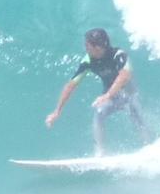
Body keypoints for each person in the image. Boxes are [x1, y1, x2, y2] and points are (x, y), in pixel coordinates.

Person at [45, 28, 150, 156]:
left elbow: (124, 76)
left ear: (98, 47)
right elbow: (71, 85)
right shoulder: (88, 61)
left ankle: (148, 146)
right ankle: (100, 152)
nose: (85, 48)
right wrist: (57, 111)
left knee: (135, 113)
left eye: (87, 45)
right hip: (112, 97)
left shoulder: (119, 55)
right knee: (99, 112)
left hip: (129, 95)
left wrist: (107, 95)